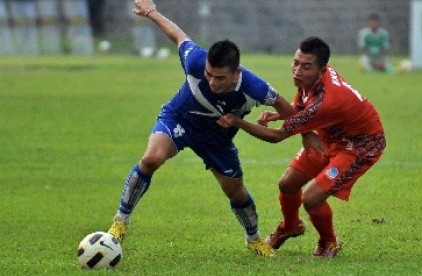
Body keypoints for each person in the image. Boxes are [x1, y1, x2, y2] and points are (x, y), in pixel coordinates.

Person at [107, 0, 295, 257]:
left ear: (236, 73)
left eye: (220, 77)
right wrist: (150, 12)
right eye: (208, 74)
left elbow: (291, 114)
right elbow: (177, 35)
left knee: (236, 191)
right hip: (180, 118)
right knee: (151, 158)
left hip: (217, 137)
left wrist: (283, 122)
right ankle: (120, 221)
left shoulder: (256, 88)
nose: (212, 81)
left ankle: (253, 239)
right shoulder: (195, 60)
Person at [217, 36, 386, 257]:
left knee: (310, 198)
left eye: (306, 67)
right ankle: (290, 226)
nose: (297, 71)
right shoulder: (312, 81)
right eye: (296, 63)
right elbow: (300, 107)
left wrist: (237, 121)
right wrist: (280, 114)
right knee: (287, 184)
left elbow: (276, 137)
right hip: (329, 137)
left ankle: (329, 242)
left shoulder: (326, 101)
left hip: (360, 147)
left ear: (321, 69)